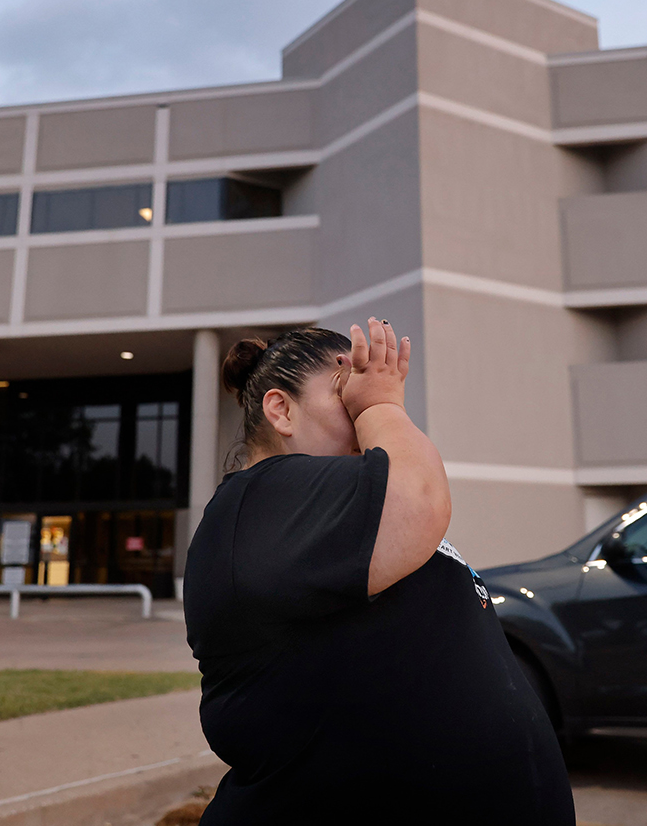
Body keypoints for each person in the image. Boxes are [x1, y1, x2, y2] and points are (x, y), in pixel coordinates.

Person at [184, 320, 574, 825]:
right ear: (281, 409)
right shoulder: (260, 496)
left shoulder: (330, 506)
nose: (368, 407)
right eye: (349, 390)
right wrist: (381, 405)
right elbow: (421, 501)